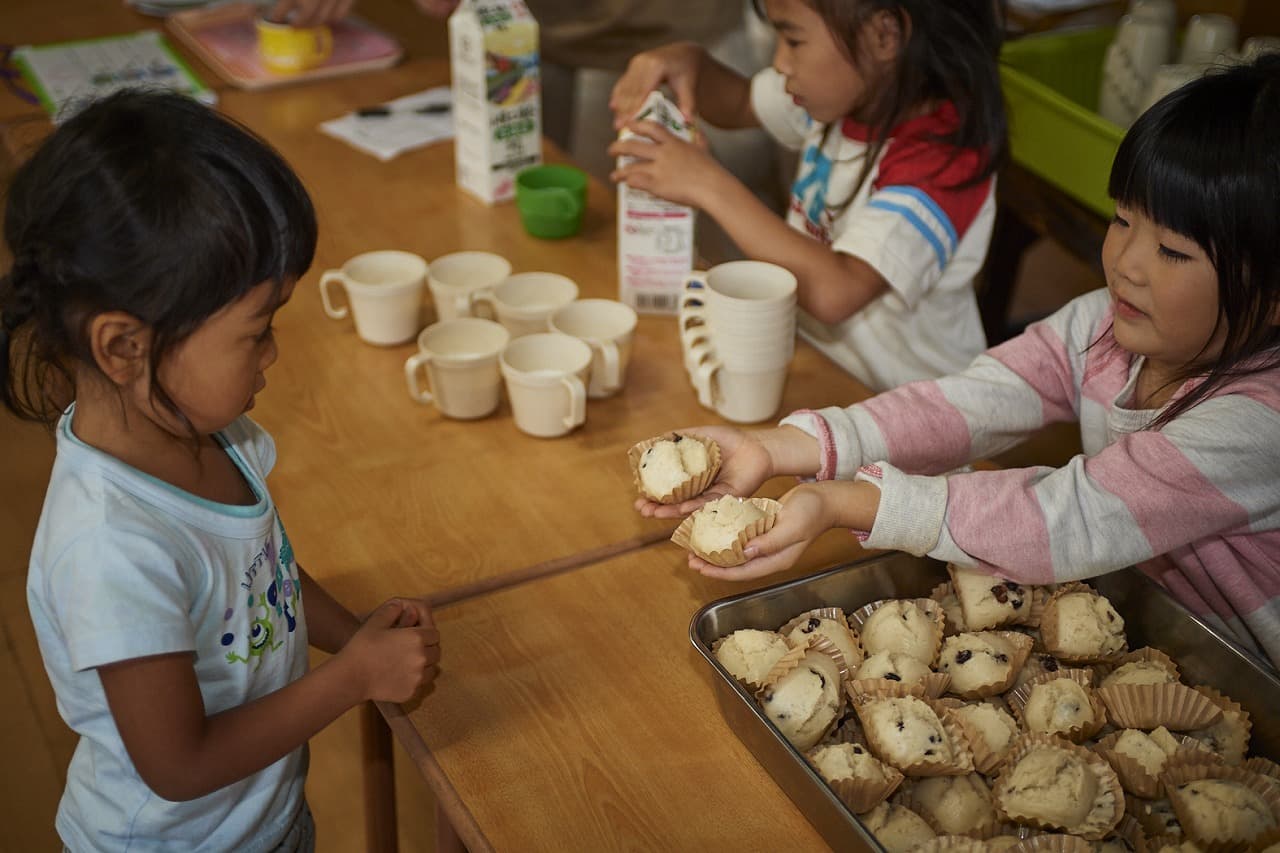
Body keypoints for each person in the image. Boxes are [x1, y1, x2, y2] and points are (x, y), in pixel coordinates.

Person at [637, 55, 1280, 670]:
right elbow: (967, 403)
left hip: (1243, 669)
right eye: (1121, 220)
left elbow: (1066, 516)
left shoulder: (1255, 426)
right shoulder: (1103, 324)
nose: (1127, 263)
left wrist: (844, 504)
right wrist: (778, 450)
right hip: (1146, 623)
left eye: (1171, 251)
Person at [0, 90, 442, 850]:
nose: (271, 354)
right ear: (124, 347)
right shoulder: (110, 548)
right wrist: (352, 679)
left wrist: (352, 633)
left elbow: (261, 569)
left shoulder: (215, 435)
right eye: (256, 331)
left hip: (263, 818)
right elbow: (178, 763)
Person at [609, 0, 1008, 391]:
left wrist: (707, 183)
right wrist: (691, 63)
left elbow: (838, 290)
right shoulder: (845, 93)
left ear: (884, 35)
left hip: (912, 416)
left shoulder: (944, 157)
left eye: (793, 40)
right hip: (820, 372)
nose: (781, 63)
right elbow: (740, 101)